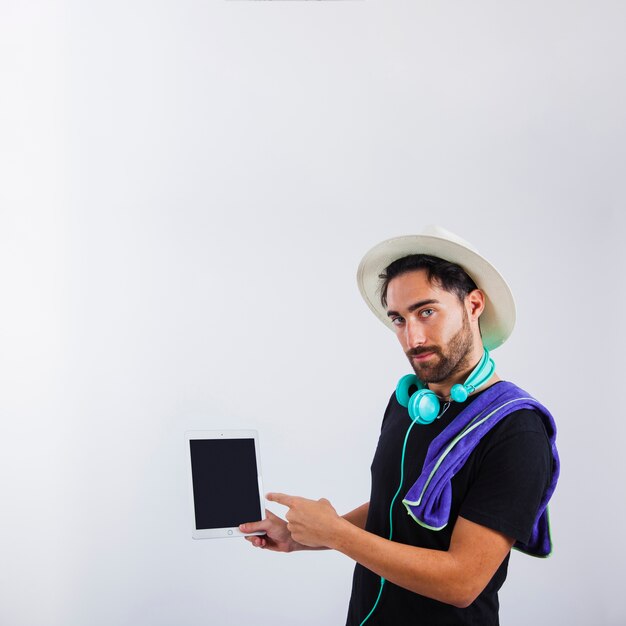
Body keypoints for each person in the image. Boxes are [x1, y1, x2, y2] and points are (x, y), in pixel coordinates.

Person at [240, 225, 559, 625]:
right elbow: (398, 505)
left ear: (474, 305)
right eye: (398, 319)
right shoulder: (411, 403)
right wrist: (306, 537)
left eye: (426, 312)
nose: (413, 337)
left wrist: (337, 535)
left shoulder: (516, 432)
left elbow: (463, 582)